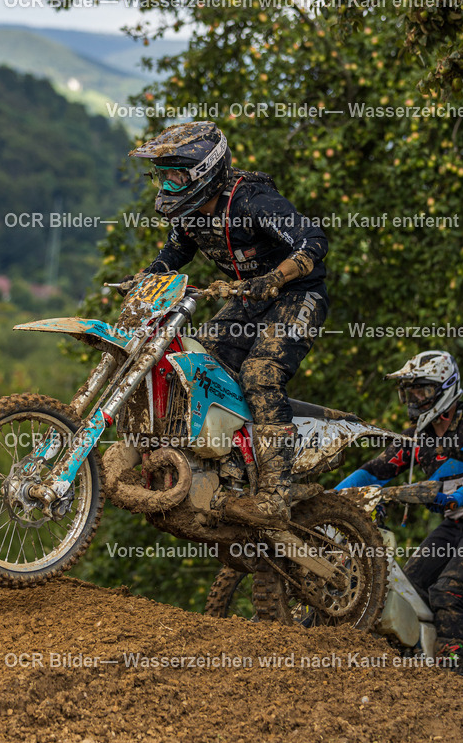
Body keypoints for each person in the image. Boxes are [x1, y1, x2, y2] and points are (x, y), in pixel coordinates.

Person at [119, 120, 329, 528]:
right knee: (193, 364)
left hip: (297, 296)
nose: (168, 185)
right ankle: (226, 465)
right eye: (163, 177)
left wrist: (276, 277)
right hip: (246, 299)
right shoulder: (191, 213)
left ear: (204, 171)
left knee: (261, 373)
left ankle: (276, 492)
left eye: (176, 176)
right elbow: (173, 255)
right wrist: (144, 280)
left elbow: (314, 241)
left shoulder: (252, 200)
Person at [335, 350, 463, 673]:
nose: (415, 398)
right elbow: (374, 471)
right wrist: (330, 499)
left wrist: (458, 497)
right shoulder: (416, 439)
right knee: (408, 589)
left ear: (445, 388)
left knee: (448, 590)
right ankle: (417, 653)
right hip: (454, 524)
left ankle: (451, 667)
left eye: (422, 390)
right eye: (411, 392)